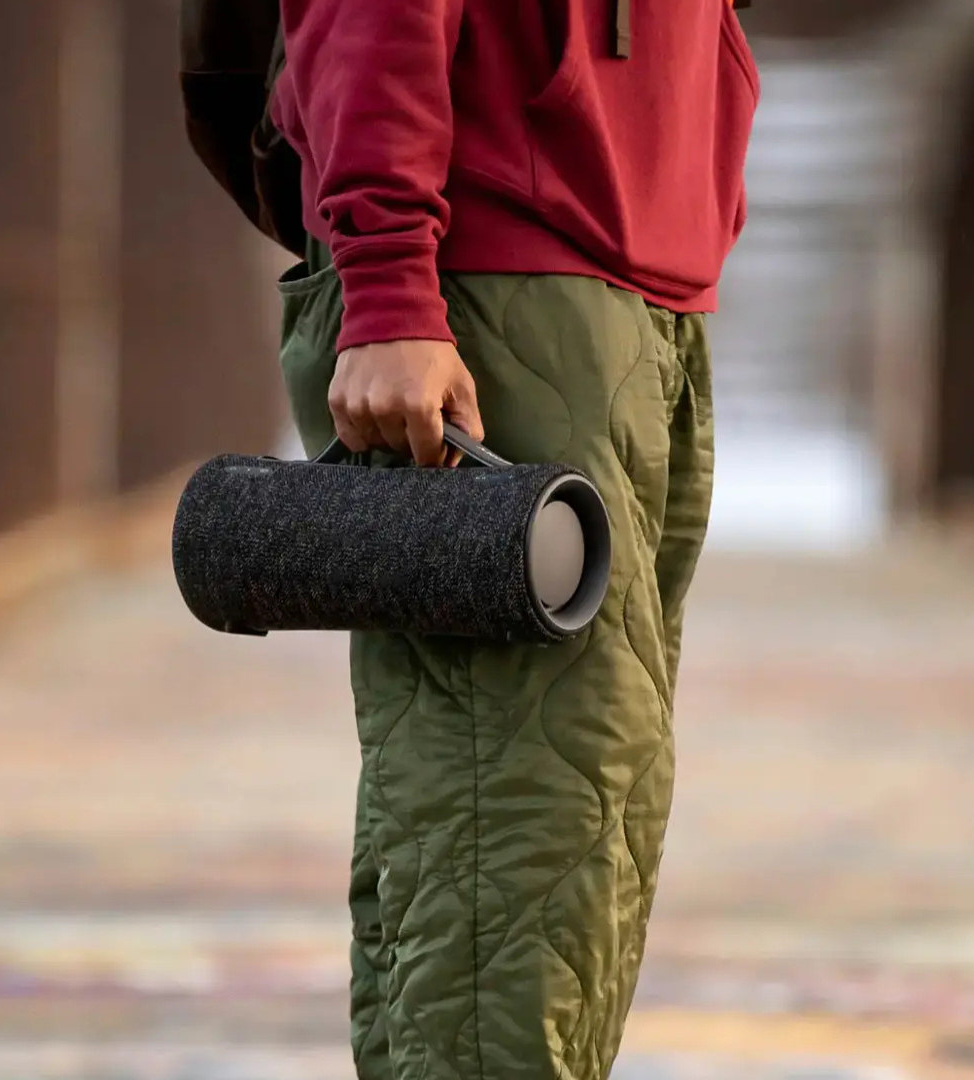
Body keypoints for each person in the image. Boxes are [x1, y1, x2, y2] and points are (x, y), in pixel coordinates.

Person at [267, 1, 758, 1077]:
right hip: (498, 268)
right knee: (513, 828)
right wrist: (391, 285)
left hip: (629, 267)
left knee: (564, 816)